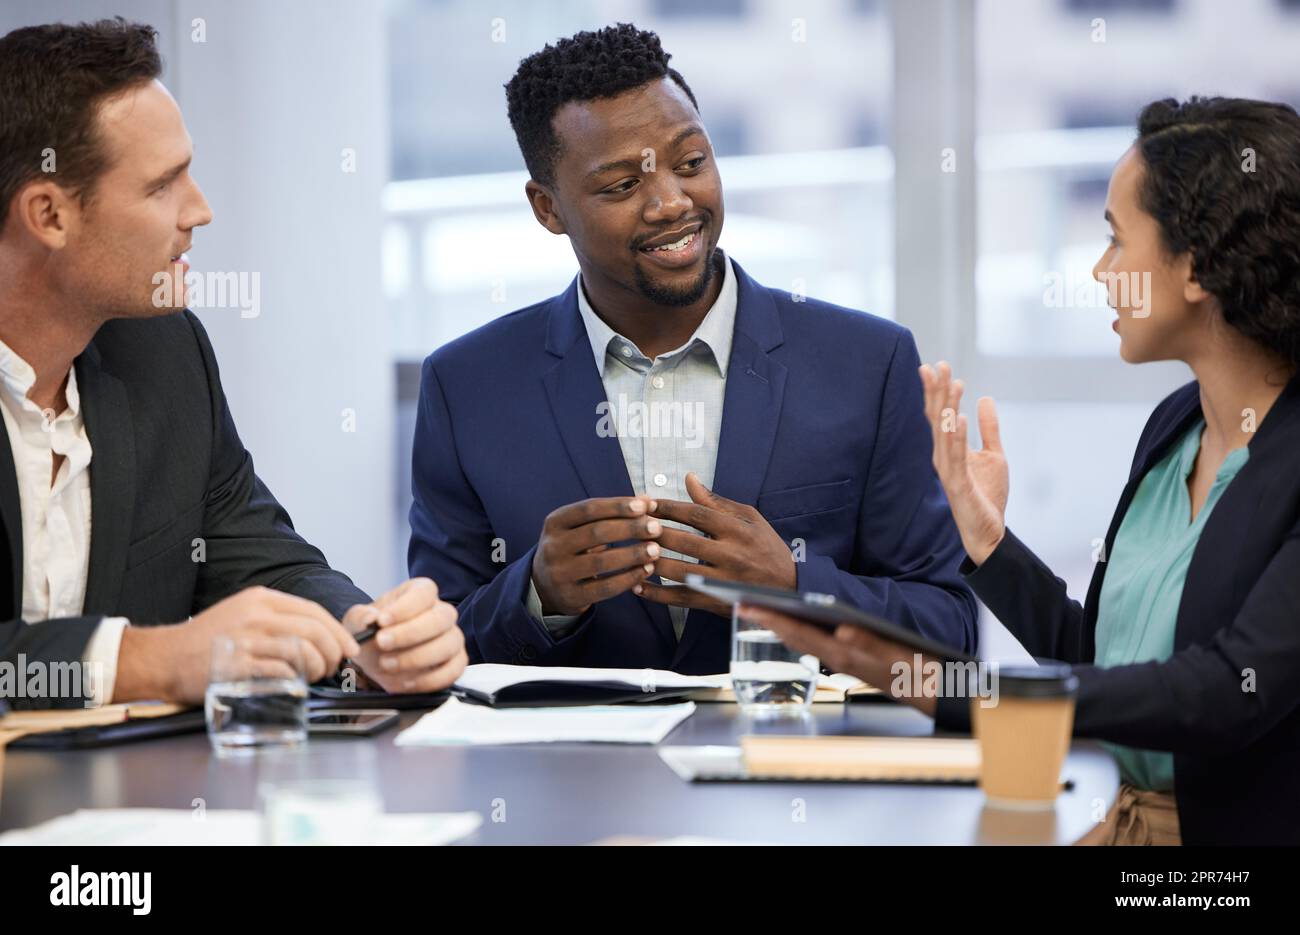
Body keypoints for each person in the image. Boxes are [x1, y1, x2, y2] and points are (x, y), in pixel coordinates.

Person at [751, 96, 1300, 846]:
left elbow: (1225, 691)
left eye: (1116, 239)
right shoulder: (1175, 427)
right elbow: (1103, 665)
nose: (1100, 269)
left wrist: (951, 688)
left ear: (1197, 264)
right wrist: (990, 543)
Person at [407, 24, 977, 673]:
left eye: (691, 163)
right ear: (548, 208)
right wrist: (537, 593)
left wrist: (795, 586)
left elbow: (953, 633)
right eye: (622, 186)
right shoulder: (466, 387)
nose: (671, 203)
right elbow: (432, 648)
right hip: (569, 775)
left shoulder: (868, 364)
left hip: (798, 765)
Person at [0, 19, 467, 709]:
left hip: (130, 805)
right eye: (163, 186)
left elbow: (261, 562)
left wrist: (365, 639)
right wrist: (149, 659)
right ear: (49, 214)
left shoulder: (163, 352)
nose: (201, 210)